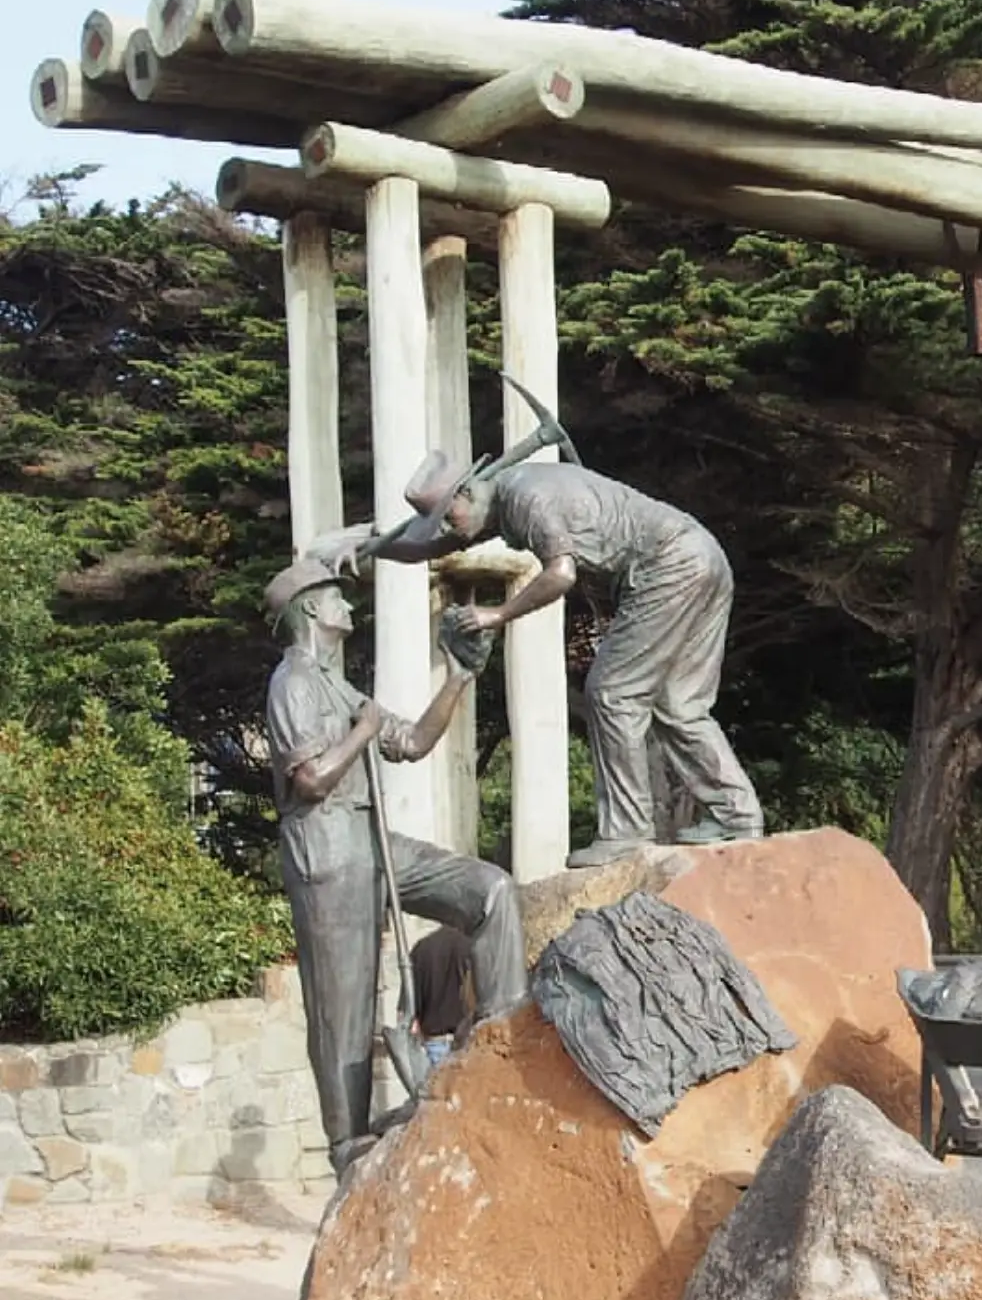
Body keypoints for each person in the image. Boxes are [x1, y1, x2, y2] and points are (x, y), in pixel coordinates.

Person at [321, 455, 762, 867]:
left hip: (669, 567)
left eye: (449, 518)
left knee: (612, 694)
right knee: (679, 704)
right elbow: (428, 547)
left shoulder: (526, 498)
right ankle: (737, 814)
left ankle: (627, 829)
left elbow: (560, 574)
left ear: (466, 493)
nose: (453, 533)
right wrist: (372, 543)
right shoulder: (498, 501)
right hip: (703, 555)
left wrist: (498, 614)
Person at [263, 557, 527, 1177]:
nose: (348, 607)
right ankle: (347, 1143)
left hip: (372, 840)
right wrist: (364, 729)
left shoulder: (338, 684)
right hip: (325, 849)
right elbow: (309, 780)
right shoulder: (293, 683)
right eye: (337, 598)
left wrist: (460, 677)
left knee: (489, 890)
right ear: (310, 611)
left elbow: (409, 742)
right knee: (342, 1007)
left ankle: (501, 1045)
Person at [410, 923, 473, 1057]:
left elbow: (409, 1010)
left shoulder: (422, 948)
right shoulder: (471, 947)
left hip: (433, 1042)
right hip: (466, 1041)